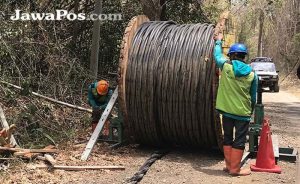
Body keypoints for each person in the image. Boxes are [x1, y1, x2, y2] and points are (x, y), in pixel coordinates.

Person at [214, 33, 258, 176]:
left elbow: (217, 55)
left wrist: (218, 42)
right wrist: (250, 111)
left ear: (232, 55)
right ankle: (234, 169)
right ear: (244, 56)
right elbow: (253, 96)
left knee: (227, 137)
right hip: (242, 113)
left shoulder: (226, 66)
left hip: (227, 112)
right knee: (239, 140)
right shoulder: (252, 74)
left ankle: (229, 166)